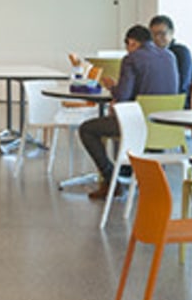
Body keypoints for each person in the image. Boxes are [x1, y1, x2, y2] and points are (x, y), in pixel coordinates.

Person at [76, 24, 181, 196]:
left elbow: (123, 96)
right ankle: (149, 178)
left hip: (138, 126)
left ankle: (111, 180)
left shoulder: (132, 59)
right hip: (166, 127)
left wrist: (113, 86)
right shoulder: (170, 56)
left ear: (132, 42)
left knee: (87, 129)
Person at [148, 14, 192, 94]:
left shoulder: (181, 53)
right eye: (153, 34)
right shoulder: (148, 54)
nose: (157, 38)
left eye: (162, 33)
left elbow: (182, 84)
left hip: (175, 99)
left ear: (172, 33)